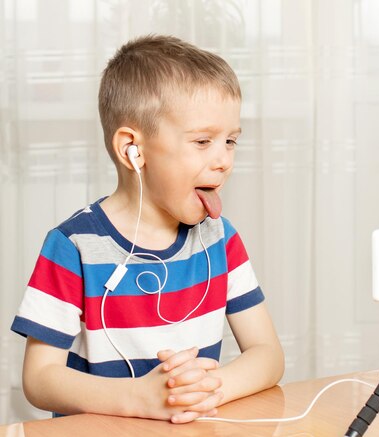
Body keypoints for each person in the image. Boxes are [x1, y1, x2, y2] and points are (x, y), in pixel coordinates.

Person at [10, 34, 284, 424]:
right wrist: (137, 398)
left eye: (231, 141)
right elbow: (40, 379)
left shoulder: (221, 240)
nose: (223, 159)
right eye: (203, 141)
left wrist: (207, 389)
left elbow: (268, 354)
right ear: (132, 150)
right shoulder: (73, 247)